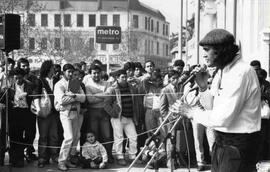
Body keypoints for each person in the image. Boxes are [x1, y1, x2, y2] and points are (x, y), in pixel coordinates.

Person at [171, 29, 261, 172]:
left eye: (207, 50)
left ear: (220, 51)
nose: (204, 55)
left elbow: (223, 119)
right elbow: (211, 107)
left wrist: (191, 112)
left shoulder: (240, 72)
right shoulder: (222, 71)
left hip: (238, 146)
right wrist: (203, 88)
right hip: (222, 144)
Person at [54, 64, 86, 171]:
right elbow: (61, 100)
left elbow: (83, 98)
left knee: (76, 136)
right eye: (68, 71)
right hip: (65, 114)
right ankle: (61, 161)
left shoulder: (76, 83)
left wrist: (73, 95)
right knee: (69, 137)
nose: (71, 74)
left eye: (72, 71)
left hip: (76, 113)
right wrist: (74, 97)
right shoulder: (59, 84)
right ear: (64, 72)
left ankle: (68, 159)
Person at [104, 69, 138, 166]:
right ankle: (120, 157)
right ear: (117, 78)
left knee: (133, 136)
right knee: (119, 138)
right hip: (118, 117)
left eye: (125, 77)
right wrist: (114, 114)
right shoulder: (112, 89)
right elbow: (106, 104)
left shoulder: (131, 87)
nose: (124, 79)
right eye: (122, 77)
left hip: (129, 117)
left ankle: (132, 156)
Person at [82, 64, 113, 163]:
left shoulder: (107, 84)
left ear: (101, 73)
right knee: (95, 135)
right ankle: (96, 157)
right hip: (92, 112)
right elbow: (90, 100)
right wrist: (102, 96)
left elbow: (109, 96)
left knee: (107, 135)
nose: (96, 75)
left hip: (105, 112)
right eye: (94, 73)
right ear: (90, 74)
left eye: (98, 73)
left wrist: (95, 94)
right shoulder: (88, 85)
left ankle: (108, 155)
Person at [17, 58, 42, 161]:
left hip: (30, 111)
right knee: (18, 133)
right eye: (23, 66)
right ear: (19, 67)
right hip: (17, 111)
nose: (26, 68)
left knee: (31, 133)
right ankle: (19, 153)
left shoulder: (34, 79)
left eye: (27, 65)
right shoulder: (15, 78)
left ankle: (29, 151)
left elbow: (36, 94)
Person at [37, 60, 59, 168]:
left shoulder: (56, 80)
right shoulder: (40, 80)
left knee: (54, 136)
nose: (54, 69)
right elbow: (36, 95)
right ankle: (42, 158)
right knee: (43, 136)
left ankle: (54, 156)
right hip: (44, 112)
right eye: (52, 67)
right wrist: (39, 110)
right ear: (48, 68)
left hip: (55, 112)